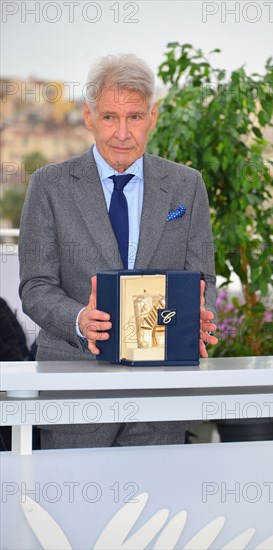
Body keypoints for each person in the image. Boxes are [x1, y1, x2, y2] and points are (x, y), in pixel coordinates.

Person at [19, 53, 217, 449]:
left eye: (135, 117)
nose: (122, 133)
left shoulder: (186, 186)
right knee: (75, 506)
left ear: (153, 117)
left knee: (161, 507)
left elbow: (203, 278)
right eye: (110, 117)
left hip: (162, 392)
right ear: (89, 117)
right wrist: (79, 319)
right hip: (74, 388)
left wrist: (197, 316)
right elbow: (36, 286)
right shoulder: (49, 185)